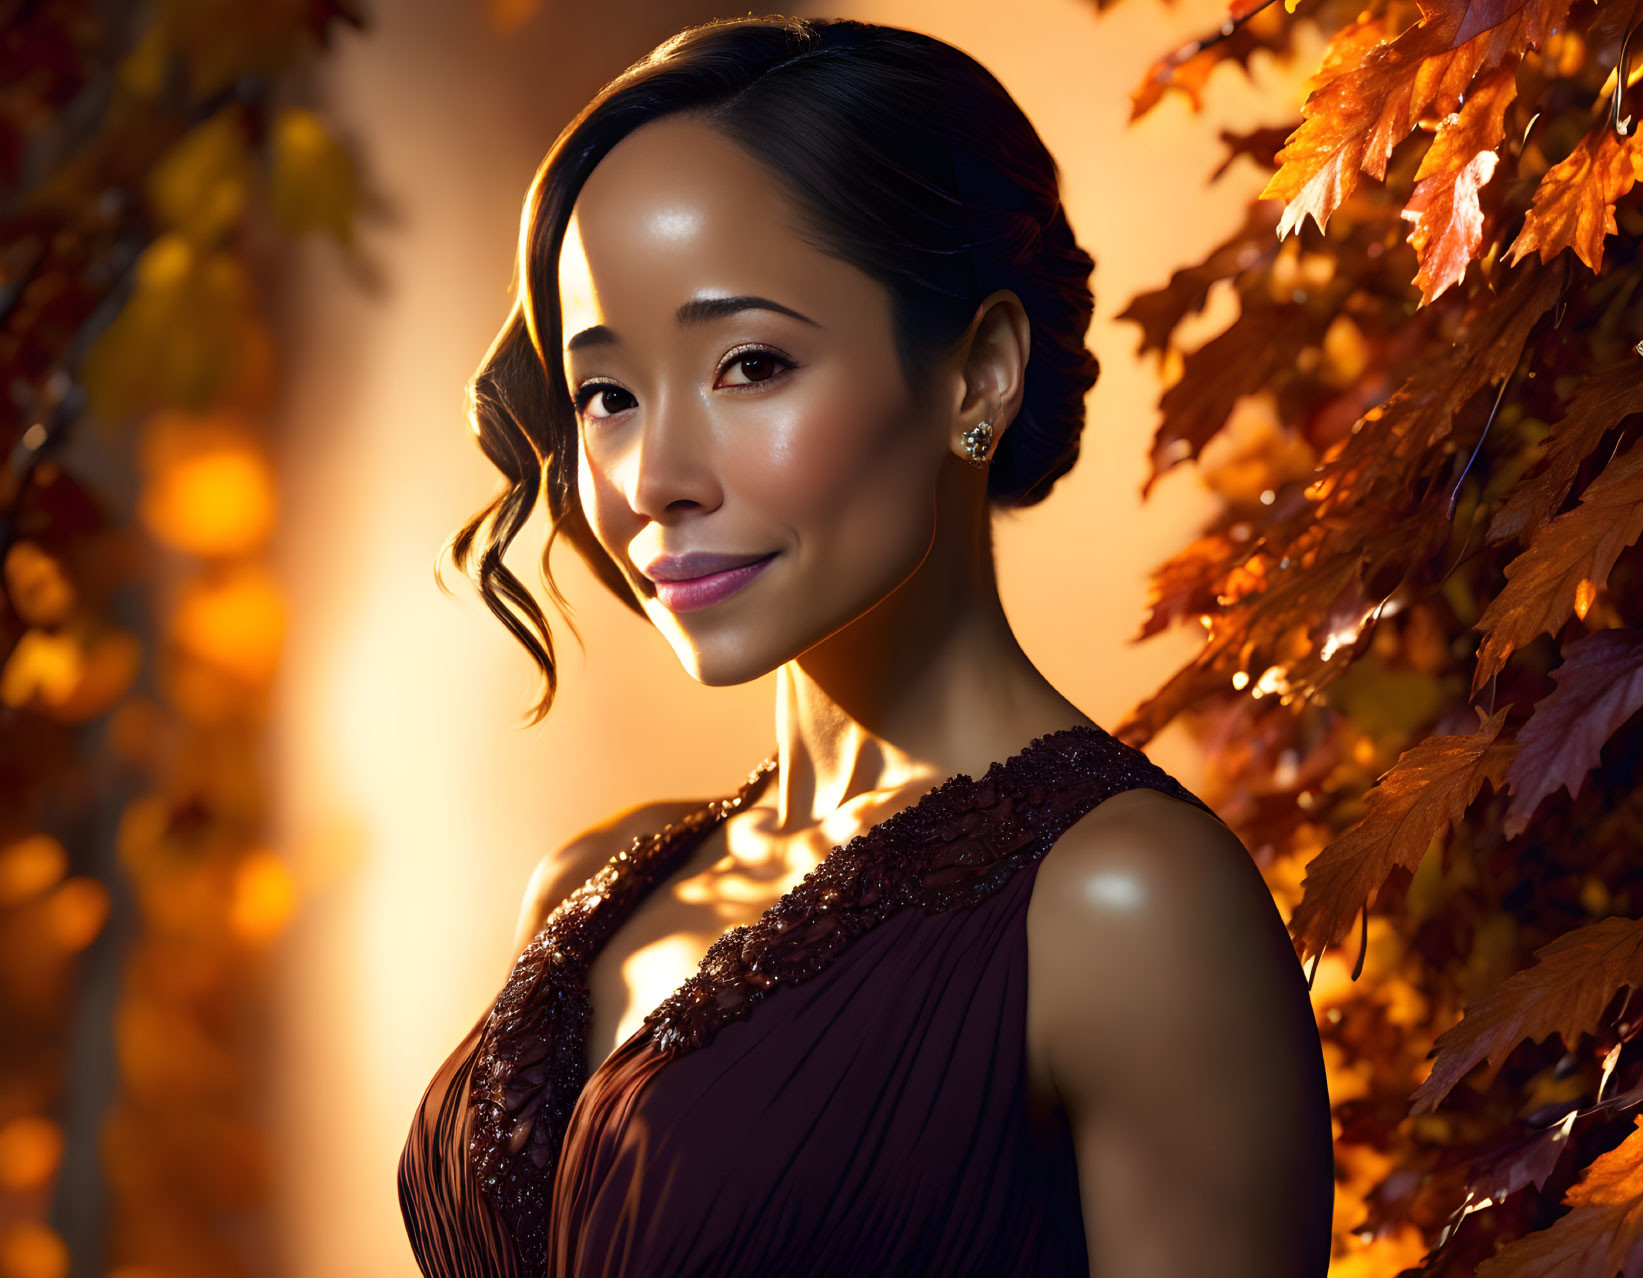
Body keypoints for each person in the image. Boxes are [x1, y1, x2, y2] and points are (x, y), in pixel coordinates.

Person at [398, 14, 1333, 1277]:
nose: (652, 476)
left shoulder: (1123, 906)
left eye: (747, 363)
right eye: (606, 393)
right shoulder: (593, 877)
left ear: (977, 376)